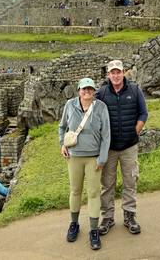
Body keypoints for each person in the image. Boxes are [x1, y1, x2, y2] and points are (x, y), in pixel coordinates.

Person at [96, 60, 148, 236]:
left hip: (129, 146)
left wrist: (135, 132)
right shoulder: (102, 93)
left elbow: (143, 113)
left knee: (130, 181)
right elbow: (92, 114)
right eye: (113, 72)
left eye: (118, 72)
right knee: (107, 184)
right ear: (108, 74)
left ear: (123, 73)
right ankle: (108, 217)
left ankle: (129, 216)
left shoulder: (134, 90)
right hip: (109, 148)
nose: (116, 75)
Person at [59, 78, 111, 251]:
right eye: (84, 89)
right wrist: (62, 143)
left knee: (94, 193)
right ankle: (74, 224)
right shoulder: (70, 105)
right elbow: (62, 127)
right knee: (75, 190)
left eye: (90, 89)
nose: (87, 92)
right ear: (79, 90)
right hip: (74, 157)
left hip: (94, 158)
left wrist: (102, 158)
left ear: (94, 91)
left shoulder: (101, 107)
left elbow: (106, 135)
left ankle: (94, 230)